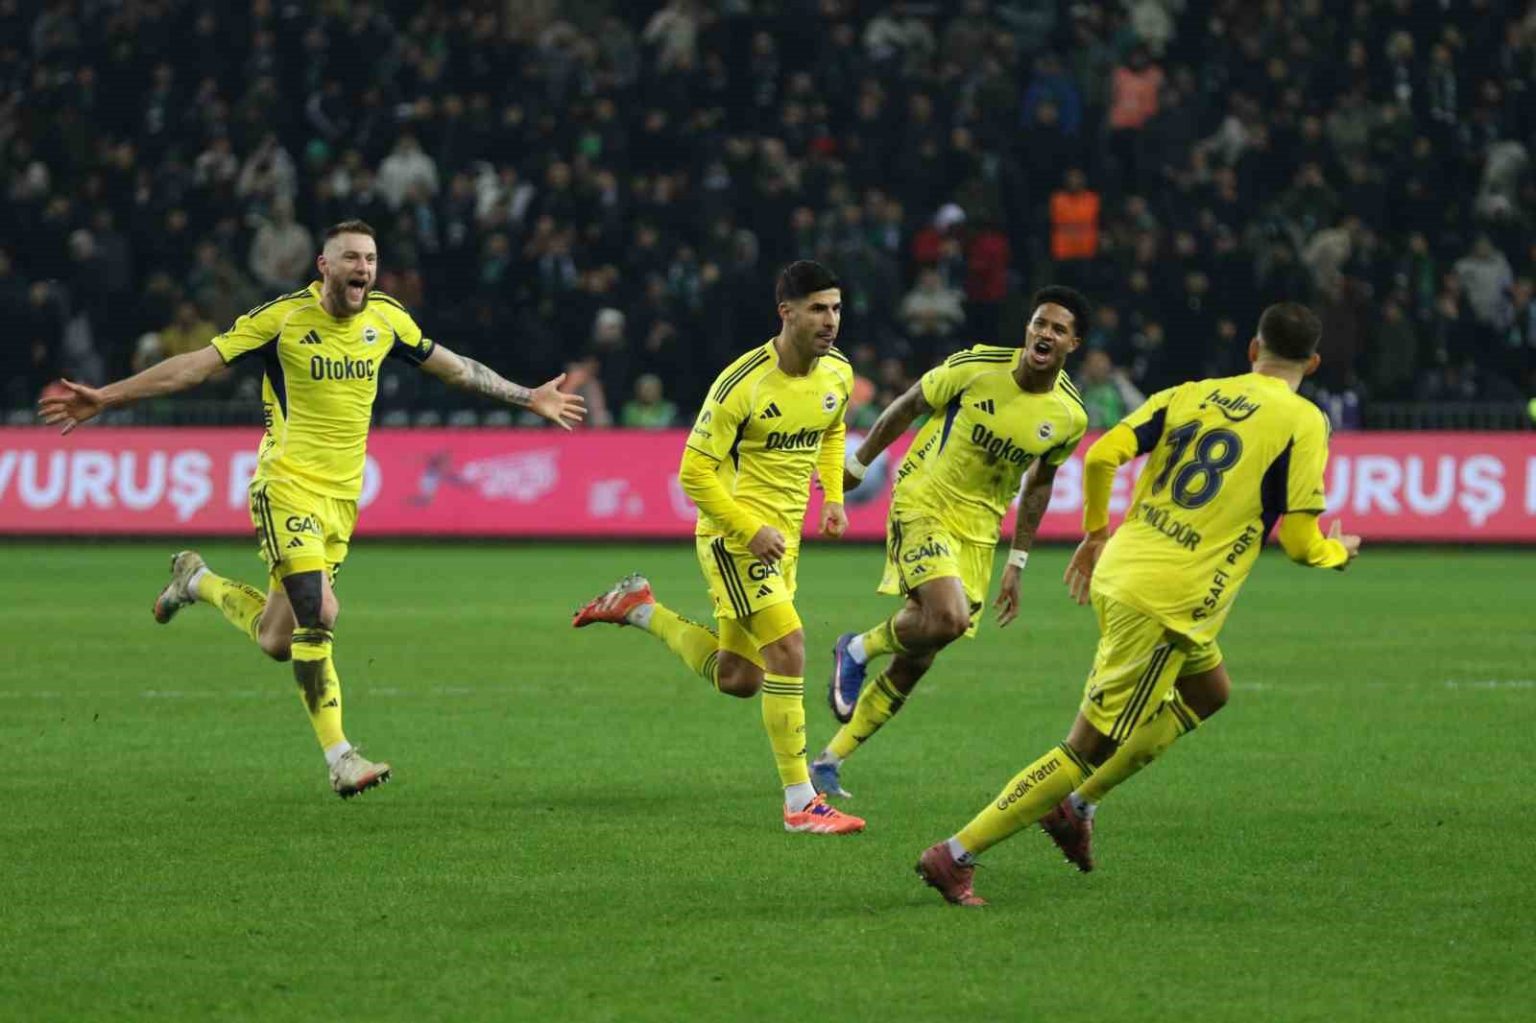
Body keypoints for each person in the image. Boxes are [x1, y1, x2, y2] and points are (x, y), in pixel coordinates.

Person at [39, 220, 585, 798]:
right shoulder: (282, 320)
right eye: (351, 257)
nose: (363, 268)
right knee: (319, 613)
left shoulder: (387, 319)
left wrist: (528, 396)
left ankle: (194, 580)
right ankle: (340, 757)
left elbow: (455, 368)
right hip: (286, 488)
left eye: (370, 259)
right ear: (324, 266)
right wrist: (108, 397)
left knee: (278, 640)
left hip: (342, 502)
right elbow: (195, 365)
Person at [915, 302, 1362, 906]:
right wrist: (1338, 552)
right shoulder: (1304, 420)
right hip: (1169, 602)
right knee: (1085, 748)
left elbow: (1102, 455)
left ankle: (1077, 807)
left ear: (1253, 350)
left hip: (1122, 567)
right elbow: (1302, 543)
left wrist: (1095, 532)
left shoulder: (1191, 393)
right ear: (1312, 363)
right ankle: (956, 854)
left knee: (1209, 692)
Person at [571, 261, 865, 835]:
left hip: (783, 542)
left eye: (835, 308)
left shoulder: (838, 373)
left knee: (740, 678)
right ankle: (801, 801)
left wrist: (832, 495)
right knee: (789, 647)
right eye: (817, 309)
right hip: (735, 539)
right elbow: (694, 473)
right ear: (786, 313)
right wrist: (748, 529)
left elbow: (832, 429)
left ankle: (640, 608)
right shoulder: (742, 384)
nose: (830, 320)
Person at [814, 287, 1092, 801]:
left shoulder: (1069, 416)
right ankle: (856, 648)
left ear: (1072, 344)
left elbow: (1040, 484)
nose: (1044, 334)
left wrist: (1017, 562)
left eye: (1058, 329)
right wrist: (858, 463)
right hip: (925, 500)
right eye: (1039, 323)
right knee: (948, 618)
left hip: (980, 532)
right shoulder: (976, 367)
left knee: (919, 656)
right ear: (1027, 328)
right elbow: (909, 405)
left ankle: (829, 760)